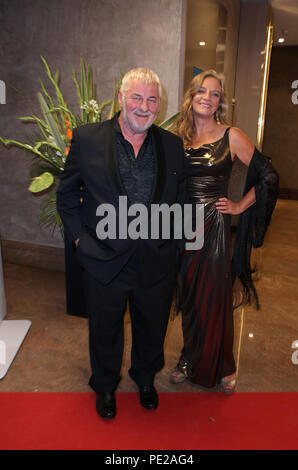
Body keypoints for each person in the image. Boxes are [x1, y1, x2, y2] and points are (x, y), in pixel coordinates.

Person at [57, 68, 185, 419]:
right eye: (137, 97)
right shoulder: (87, 139)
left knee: (152, 326)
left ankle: (145, 379)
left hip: (155, 258)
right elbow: (67, 197)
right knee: (104, 327)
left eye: (152, 99)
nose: (144, 107)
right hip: (103, 257)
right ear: (120, 98)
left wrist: (174, 246)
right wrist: (81, 240)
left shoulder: (173, 145)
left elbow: (182, 201)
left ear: (159, 104)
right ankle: (105, 385)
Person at [170, 70, 278, 393]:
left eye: (214, 93)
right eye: (202, 91)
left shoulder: (231, 135)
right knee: (189, 296)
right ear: (192, 95)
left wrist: (240, 205)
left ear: (220, 102)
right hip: (183, 226)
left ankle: (223, 365)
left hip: (214, 228)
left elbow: (267, 175)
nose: (207, 97)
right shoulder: (179, 136)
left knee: (214, 298)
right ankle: (188, 359)